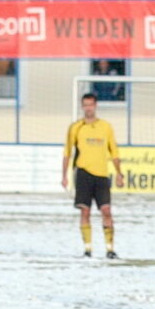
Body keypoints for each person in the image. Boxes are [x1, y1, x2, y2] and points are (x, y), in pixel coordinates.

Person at [62, 92, 124, 259]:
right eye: (85, 105)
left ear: (95, 106)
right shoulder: (76, 127)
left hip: (101, 175)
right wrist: (64, 176)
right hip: (83, 173)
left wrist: (119, 173)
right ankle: (87, 249)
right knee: (85, 211)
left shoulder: (105, 127)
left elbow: (114, 151)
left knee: (106, 210)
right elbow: (67, 152)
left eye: (91, 105)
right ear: (82, 107)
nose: (88, 108)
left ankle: (110, 249)